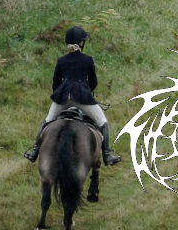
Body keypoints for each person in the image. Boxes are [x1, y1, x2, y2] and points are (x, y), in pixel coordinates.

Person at [23, 26, 122, 166]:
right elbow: (93, 82)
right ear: (81, 43)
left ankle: (34, 151)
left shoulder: (61, 60)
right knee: (103, 123)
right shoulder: (87, 60)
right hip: (82, 97)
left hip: (63, 97)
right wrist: (87, 92)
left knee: (47, 121)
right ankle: (107, 155)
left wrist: (60, 95)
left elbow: (55, 83)